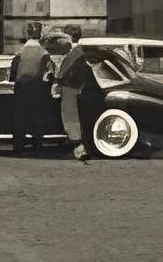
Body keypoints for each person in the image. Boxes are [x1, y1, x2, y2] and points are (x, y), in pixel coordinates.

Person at [50, 29, 101, 163]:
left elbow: (70, 71)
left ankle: (77, 145)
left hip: (72, 89)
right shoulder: (77, 52)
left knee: (71, 117)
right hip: (73, 88)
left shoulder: (76, 53)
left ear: (70, 37)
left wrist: (59, 82)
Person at [6, 28, 55, 157]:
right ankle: (37, 143)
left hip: (21, 87)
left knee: (19, 117)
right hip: (38, 87)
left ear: (27, 35)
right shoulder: (44, 53)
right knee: (37, 116)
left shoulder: (20, 53)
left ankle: (19, 145)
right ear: (40, 36)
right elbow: (50, 73)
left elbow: (12, 74)